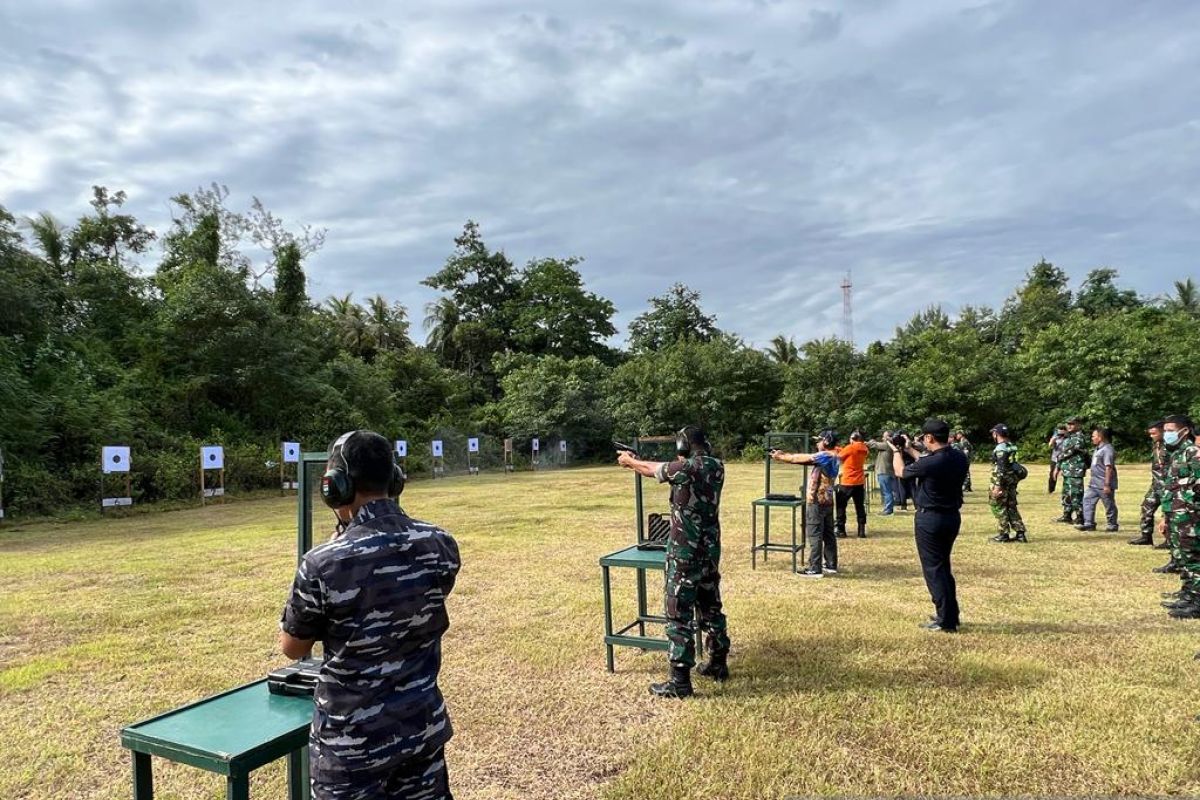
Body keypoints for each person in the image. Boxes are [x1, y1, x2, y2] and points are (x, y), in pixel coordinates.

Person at [279, 430, 461, 800]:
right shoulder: (439, 543)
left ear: (336, 486)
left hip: (351, 746)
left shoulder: (323, 563)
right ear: (395, 480)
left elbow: (293, 648)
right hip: (420, 728)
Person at [617, 425, 731, 697]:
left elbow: (652, 470)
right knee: (711, 606)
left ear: (682, 446)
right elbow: (683, 467)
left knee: (678, 612)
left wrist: (629, 461)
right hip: (709, 551)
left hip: (685, 554)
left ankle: (679, 681)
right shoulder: (717, 466)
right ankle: (718, 662)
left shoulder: (686, 469)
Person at [891, 419, 969, 632]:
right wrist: (910, 449)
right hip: (951, 517)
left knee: (934, 570)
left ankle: (945, 621)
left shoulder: (932, 462)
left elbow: (901, 472)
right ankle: (950, 614)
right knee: (944, 567)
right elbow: (928, 464)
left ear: (929, 438)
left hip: (930, 519)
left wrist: (897, 451)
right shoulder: (958, 457)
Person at [771, 429, 841, 577]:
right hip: (827, 501)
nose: (817, 443)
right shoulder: (834, 455)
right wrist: (784, 456)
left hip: (817, 501)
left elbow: (804, 458)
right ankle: (830, 564)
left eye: (819, 440)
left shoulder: (826, 456)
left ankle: (815, 568)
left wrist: (782, 457)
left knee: (814, 534)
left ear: (826, 441)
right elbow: (806, 461)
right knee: (828, 534)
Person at [1156, 416, 1200, 618]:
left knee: (1193, 557)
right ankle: (1188, 594)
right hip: (1175, 512)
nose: (1167, 434)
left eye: (1171, 430)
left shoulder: (1193, 453)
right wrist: (1166, 515)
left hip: (1190, 515)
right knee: (1183, 556)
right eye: (1165, 430)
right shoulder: (1176, 454)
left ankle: (1197, 602)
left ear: (1184, 431)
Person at [988, 424, 1027, 543]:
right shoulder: (1012, 446)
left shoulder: (1000, 448)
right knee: (1011, 506)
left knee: (999, 506)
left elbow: (1001, 468)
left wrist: (998, 486)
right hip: (1012, 481)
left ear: (996, 434)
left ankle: (1003, 534)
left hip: (1003, 481)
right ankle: (1020, 533)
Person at [1130, 421, 1167, 547]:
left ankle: (1170, 540)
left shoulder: (1170, 446)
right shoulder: (1156, 445)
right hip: (1156, 484)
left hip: (1168, 485)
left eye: (1154, 433)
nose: (1151, 436)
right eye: (1150, 434)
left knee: (1168, 513)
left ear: (1162, 431)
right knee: (1146, 507)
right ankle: (1146, 536)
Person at [1078, 426, 1119, 532]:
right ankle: (1089, 523)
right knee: (1087, 500)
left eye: (1093, 436)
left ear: (1100, 437)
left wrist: (1107, 484)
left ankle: (1112, 525)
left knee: (1109, 504)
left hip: (1103, 483)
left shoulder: (1107, 449)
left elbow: (1108, 467)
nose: (1092, 438)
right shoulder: (1098, 449)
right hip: (1094, 483)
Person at [835, 430, 870, 538]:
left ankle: (841, 530)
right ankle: (861, 530)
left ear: (854, 438)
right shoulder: (864, 448)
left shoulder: (850, 448)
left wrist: (834, 449)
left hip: (848, 481)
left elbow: (839, 457)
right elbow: (849, 453)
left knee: (841, 506)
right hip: (859, 482)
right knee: (860, 506)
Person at [1055, 417, 1088, 524]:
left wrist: (1058, 460)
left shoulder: (1079, 438)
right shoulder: (1068, 437)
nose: (1069, 426)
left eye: (1072, 424)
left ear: (1078, 425)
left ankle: (1080, 516)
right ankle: (1067, 515)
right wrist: (1058, 467)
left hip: (1075, 471)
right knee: (1066, 494)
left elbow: (1068, 452)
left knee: (1076, 494)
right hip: (1067, 470)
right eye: (1068, 424)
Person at [867, 431, 897, 515]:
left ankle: (888, 510)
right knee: (887, 491)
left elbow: (873, 444)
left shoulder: (887, 445)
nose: (883, 438)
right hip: (887, 471)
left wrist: (871, 440)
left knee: (887, 491)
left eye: (884, 437)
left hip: (884, 472)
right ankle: (887, 508)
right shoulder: (891, 445)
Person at [1047, 424, 1067, 494]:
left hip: (1065, 458)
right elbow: (1050, 445)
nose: (1060, 433)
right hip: (1055, 458)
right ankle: (1051, 490)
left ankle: (1066, 489)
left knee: (1066, 474)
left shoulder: (1068, 437)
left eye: (1062, 431)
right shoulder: (1055, 436)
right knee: (1052, 474)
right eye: (1059, 431)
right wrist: (1053, 440)